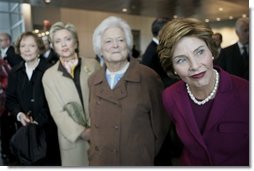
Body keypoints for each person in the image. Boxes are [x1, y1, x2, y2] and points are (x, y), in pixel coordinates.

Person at [157, 18, 249, 166]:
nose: (194, 66)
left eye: (199, 52)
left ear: (211, 51)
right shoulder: (170, 97)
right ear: (172, 67)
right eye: (181, 60)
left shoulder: (246, 93)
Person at [88, 16, 169, 166]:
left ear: (128, 44)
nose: (115, 45)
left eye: (120, 40)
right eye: (108, 41)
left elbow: (161, 127)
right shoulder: (93, 80)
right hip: (101, 161)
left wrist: (144, 153)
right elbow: (94, 124)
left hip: (135, 160)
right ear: (100, 48)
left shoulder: (148, 77)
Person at [42, 21, 100, 166]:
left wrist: (97, 127)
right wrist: (82, 132)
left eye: (68, 39)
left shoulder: (93, 65)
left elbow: (103, 98)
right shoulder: (49, 75)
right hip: (73, 138)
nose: (63, 44)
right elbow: (57, 112)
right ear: (53, 46)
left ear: (76, 42)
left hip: (100, 131)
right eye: (58, 41)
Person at [5, 31, 61, 166]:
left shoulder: (50, 70)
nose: (27, 50)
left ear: (39, 48)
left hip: (48, 132)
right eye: (23, 46)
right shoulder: (14, 72)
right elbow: (10, 99)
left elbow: (56, 102)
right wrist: (19, 114)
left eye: (32, 46)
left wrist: (38, 120)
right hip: (25, 134)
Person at [0, 32, 23, 164]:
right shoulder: (5, 55)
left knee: (9, 127)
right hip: (5, 98)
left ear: (8, 41)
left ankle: (10, 153)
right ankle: (7, 152)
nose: (0, 43)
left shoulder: (11, 55)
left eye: (2, 40)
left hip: (9, 97)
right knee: (6, 128)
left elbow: (13, 76)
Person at [141, 18, 177, 88]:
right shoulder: (155, 51)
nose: (171, 34)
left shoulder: (155, 47)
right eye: (169, 31)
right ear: (161, 32)